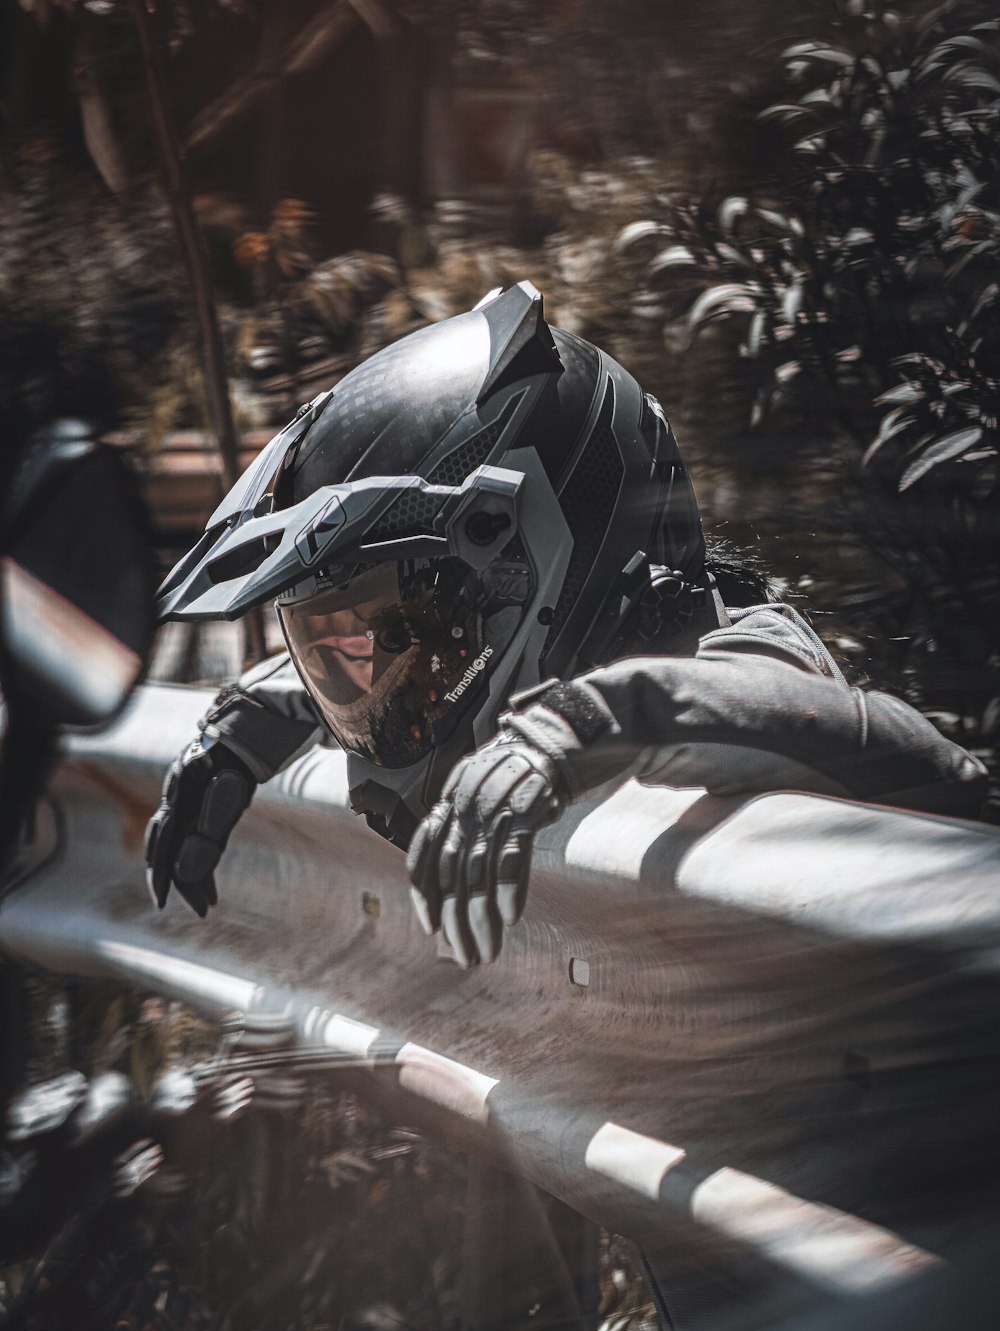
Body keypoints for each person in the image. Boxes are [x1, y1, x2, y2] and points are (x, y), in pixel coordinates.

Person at [146, 281, 987, 963]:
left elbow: (846, 731)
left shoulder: (739, 650)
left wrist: (568, 730)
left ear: (529, 562)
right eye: (331, 649)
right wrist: (268, 706)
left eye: (403, 627)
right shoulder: (529, 671)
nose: (365, 682)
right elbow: (421, 681)